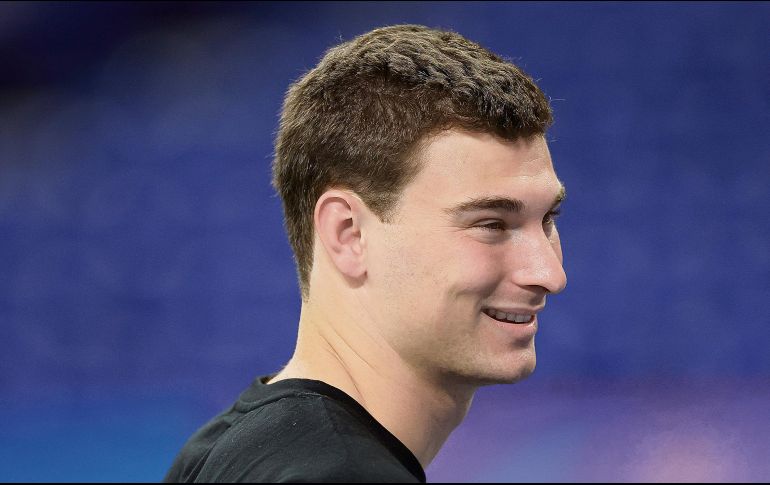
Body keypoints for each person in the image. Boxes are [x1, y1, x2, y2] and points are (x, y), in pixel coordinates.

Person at [164, 24, 567, 483]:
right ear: (348, 233)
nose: (549, 273)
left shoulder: (224, 449)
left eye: (548, 220)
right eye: (491, 225)